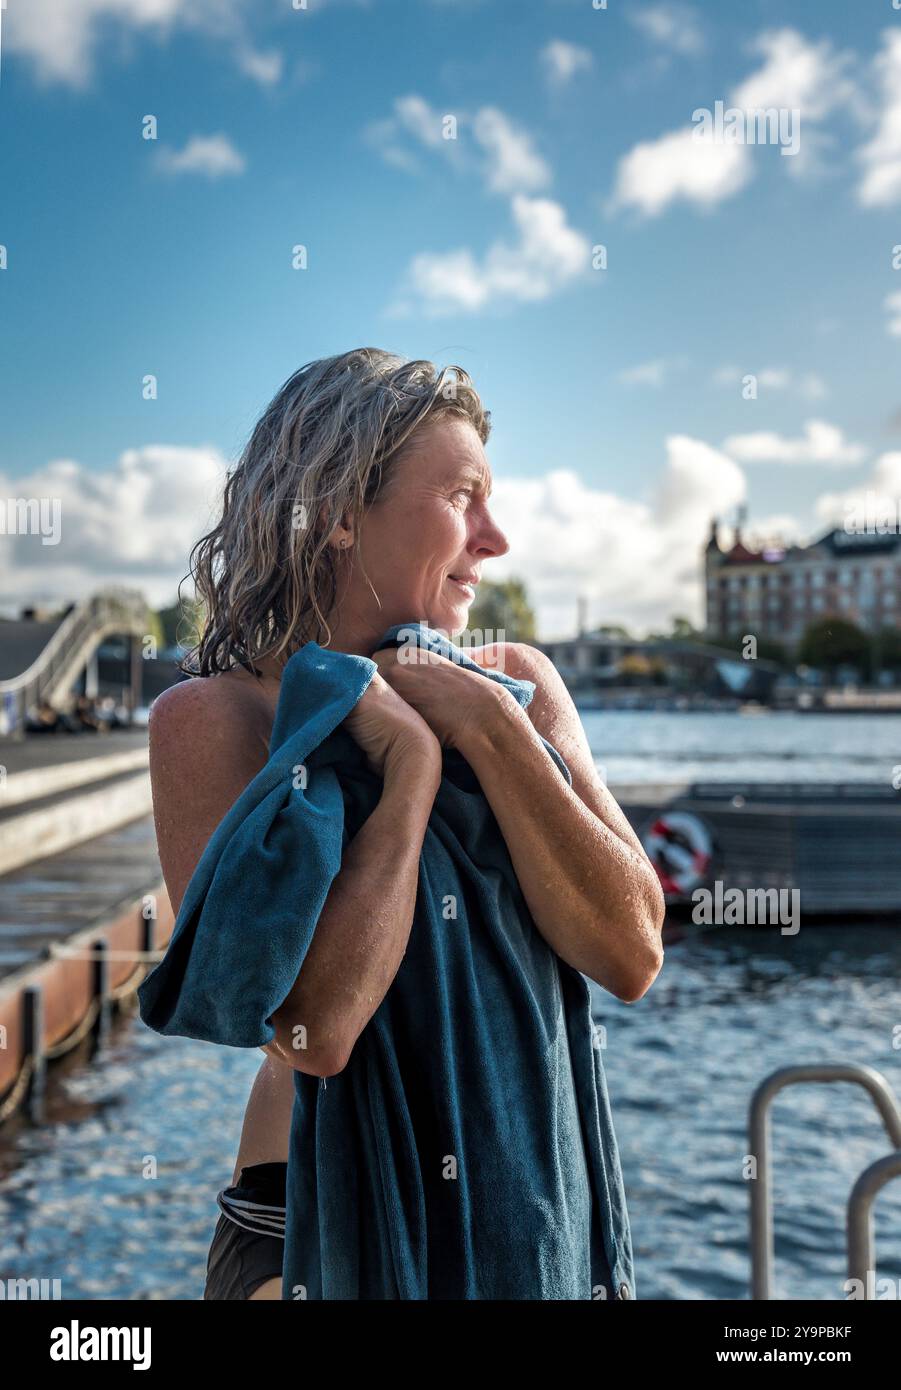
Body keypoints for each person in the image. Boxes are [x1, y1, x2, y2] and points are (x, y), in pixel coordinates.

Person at [146, 348, 665, 1300]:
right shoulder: (218, 720)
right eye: (463, 495)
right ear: (340, 513)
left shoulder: (517, 688)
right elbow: (313, 1030)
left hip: (538, 1230)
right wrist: (410, 767)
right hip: (307, 1230)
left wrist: (484, 727)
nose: (495, 537)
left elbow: (631, 952)